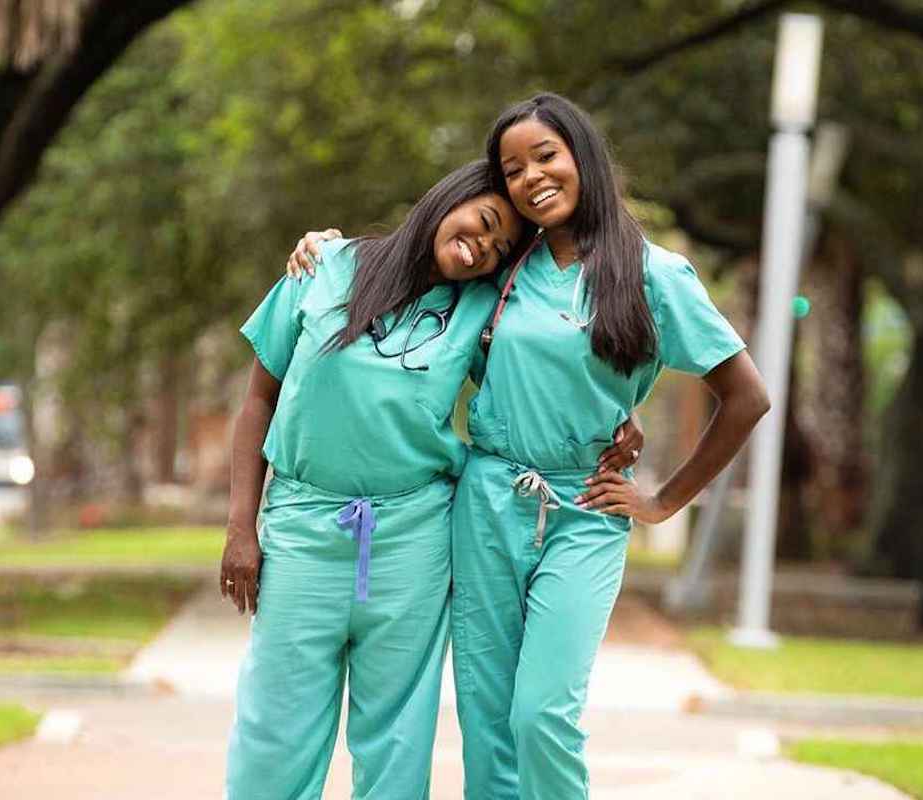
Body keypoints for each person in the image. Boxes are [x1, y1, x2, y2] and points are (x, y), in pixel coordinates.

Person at [286, 93, 769, 800]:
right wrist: (326, 250)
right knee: (487, 722)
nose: (531, 177)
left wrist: (663, 500)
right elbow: (412, 281)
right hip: (484, 504)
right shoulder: (502, 271)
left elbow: (746, 395)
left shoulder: (653, 274)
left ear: (583, 157)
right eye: (512, 169)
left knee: (543, 713)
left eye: (545, 155)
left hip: (584, 511)